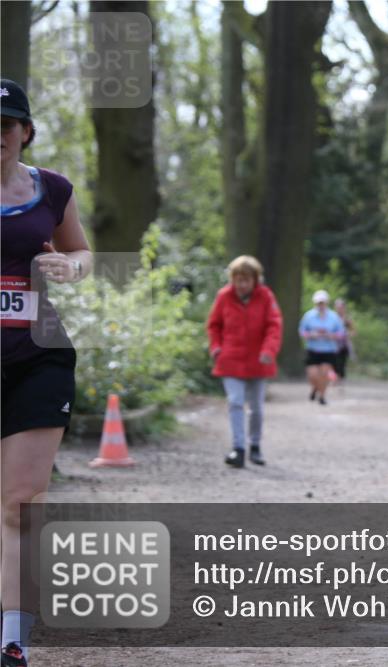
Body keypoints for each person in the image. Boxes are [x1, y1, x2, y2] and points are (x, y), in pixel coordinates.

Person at [1, 78, 93, 667]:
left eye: (5, 126)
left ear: (25, 131)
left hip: (39, 357)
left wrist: (70, 266)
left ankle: (12, 638)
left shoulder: (52, 189)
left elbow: (82, 253)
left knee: (20, 502)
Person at [206, 256, 282, 468]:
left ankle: (254, 446)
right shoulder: (224, 296)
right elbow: (214, 325)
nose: (241, 284)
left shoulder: (266, 297)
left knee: (256, 407)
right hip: (230, 360)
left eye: (246, 280)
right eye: (238, 279)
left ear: (255, 280)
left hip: (259, 361)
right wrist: (216, 347)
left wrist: (269, 350)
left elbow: (274, 326)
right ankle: (238, 449)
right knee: (235, 402)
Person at [299, 290, 345, 405]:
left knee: (325, 374)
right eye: (319, 303)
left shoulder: (334, 317)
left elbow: (341, 333)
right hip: (313, 349)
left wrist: (332, 336)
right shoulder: (308, 316)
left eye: (323, 302)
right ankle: (315, 388)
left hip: (329, 350)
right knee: (313, 375)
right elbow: (302, 331)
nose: (321, 305)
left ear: (326, 303)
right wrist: (311, 335)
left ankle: (322, 396)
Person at [332, 297, 355, 382]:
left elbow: (353, 331)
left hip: (343, 344)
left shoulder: (347, 319)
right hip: (333, 344)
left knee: (342, 363)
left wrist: (348, 334)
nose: (339, 309)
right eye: (337, 307)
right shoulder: (331, 318)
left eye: (341, 307)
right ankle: (334, 379)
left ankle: (340, 379)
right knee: (333, 362)